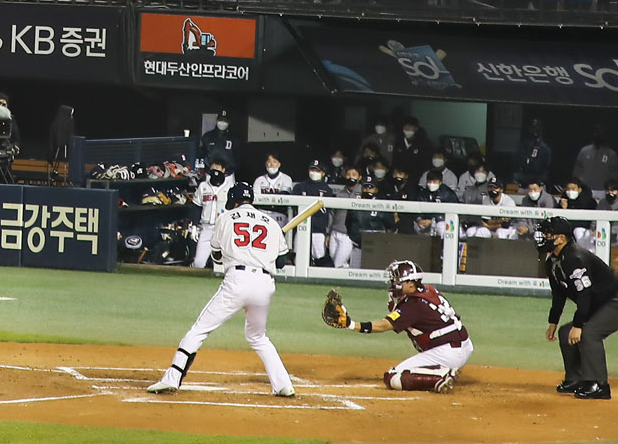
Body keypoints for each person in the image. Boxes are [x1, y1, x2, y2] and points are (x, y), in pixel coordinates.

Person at [150, 183, 296, 397]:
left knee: (199, 329)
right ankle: (283, 384)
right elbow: (281, 261)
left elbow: (216, 256)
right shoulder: (272, 223)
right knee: (258, 337)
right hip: (264, 285)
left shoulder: (225, 218)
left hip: (237, 281)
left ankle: (172, 378)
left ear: (233, 202)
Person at [324, 259, 473, 391]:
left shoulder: (413, 304)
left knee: (393, 377)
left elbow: (384, 325)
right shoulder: (428, 289)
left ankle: (440, 376)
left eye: (398, 281)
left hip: (448, 352)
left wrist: (351, 325)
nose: (394, 284)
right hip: (462, 344)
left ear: (410, 283)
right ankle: (443, 369)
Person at [540, 216, 618, 400]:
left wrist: (579, 324)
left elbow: (584, 294)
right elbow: (559, 295)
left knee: (589, 332)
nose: (543, 237)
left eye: (547, 233)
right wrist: (553, 322)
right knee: (564, 332)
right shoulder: (552, 261)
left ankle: (599, 385)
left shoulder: (574, 258)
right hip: (599, 303)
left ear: (560, 238)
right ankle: (576, 379)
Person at [191, 158, 234, 269]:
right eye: (213, 167)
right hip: (206, 228)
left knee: (226, 263)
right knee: (199, 263)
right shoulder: (203, 186)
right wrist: (195, 226)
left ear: (223, 169)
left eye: (218, 167)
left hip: (223, 228)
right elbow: (196, 206)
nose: (215, 169)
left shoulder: (230, 187)